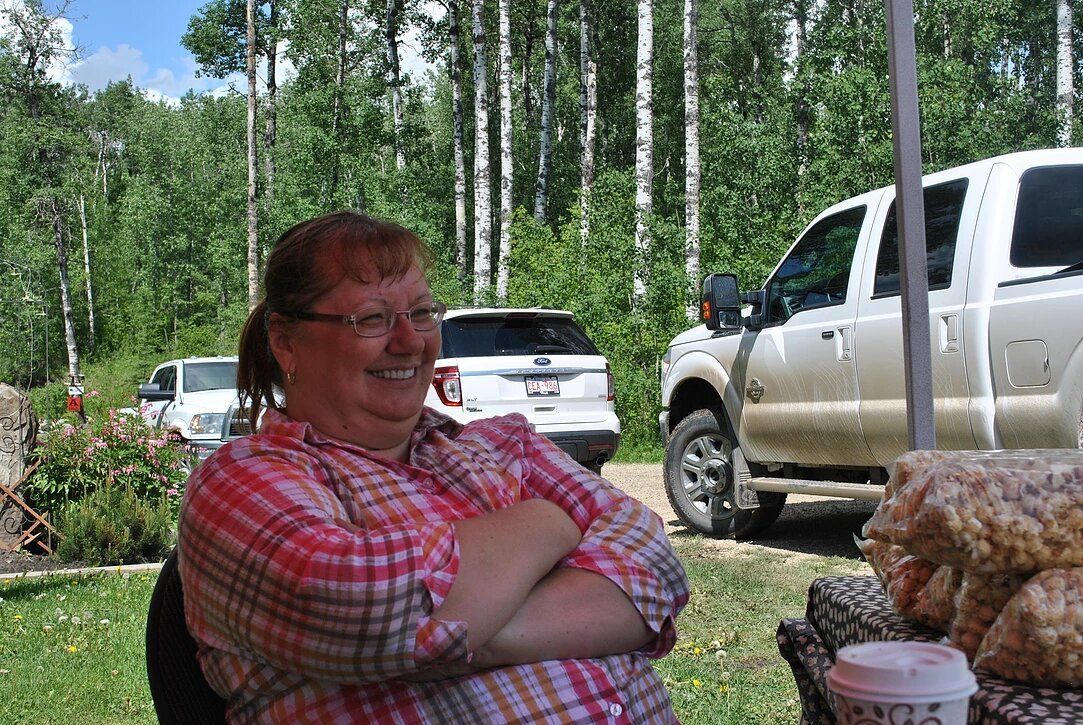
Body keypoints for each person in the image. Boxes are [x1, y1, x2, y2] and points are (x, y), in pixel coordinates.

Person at [178, 211, 689, 724]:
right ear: (286, 342)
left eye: (422, 313)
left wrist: (472, 634)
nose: (409, 342)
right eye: (373, 319)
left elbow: (654, 565)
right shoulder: (241, 479)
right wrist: (544, 524)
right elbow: (362, 610)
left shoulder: (503, 444)